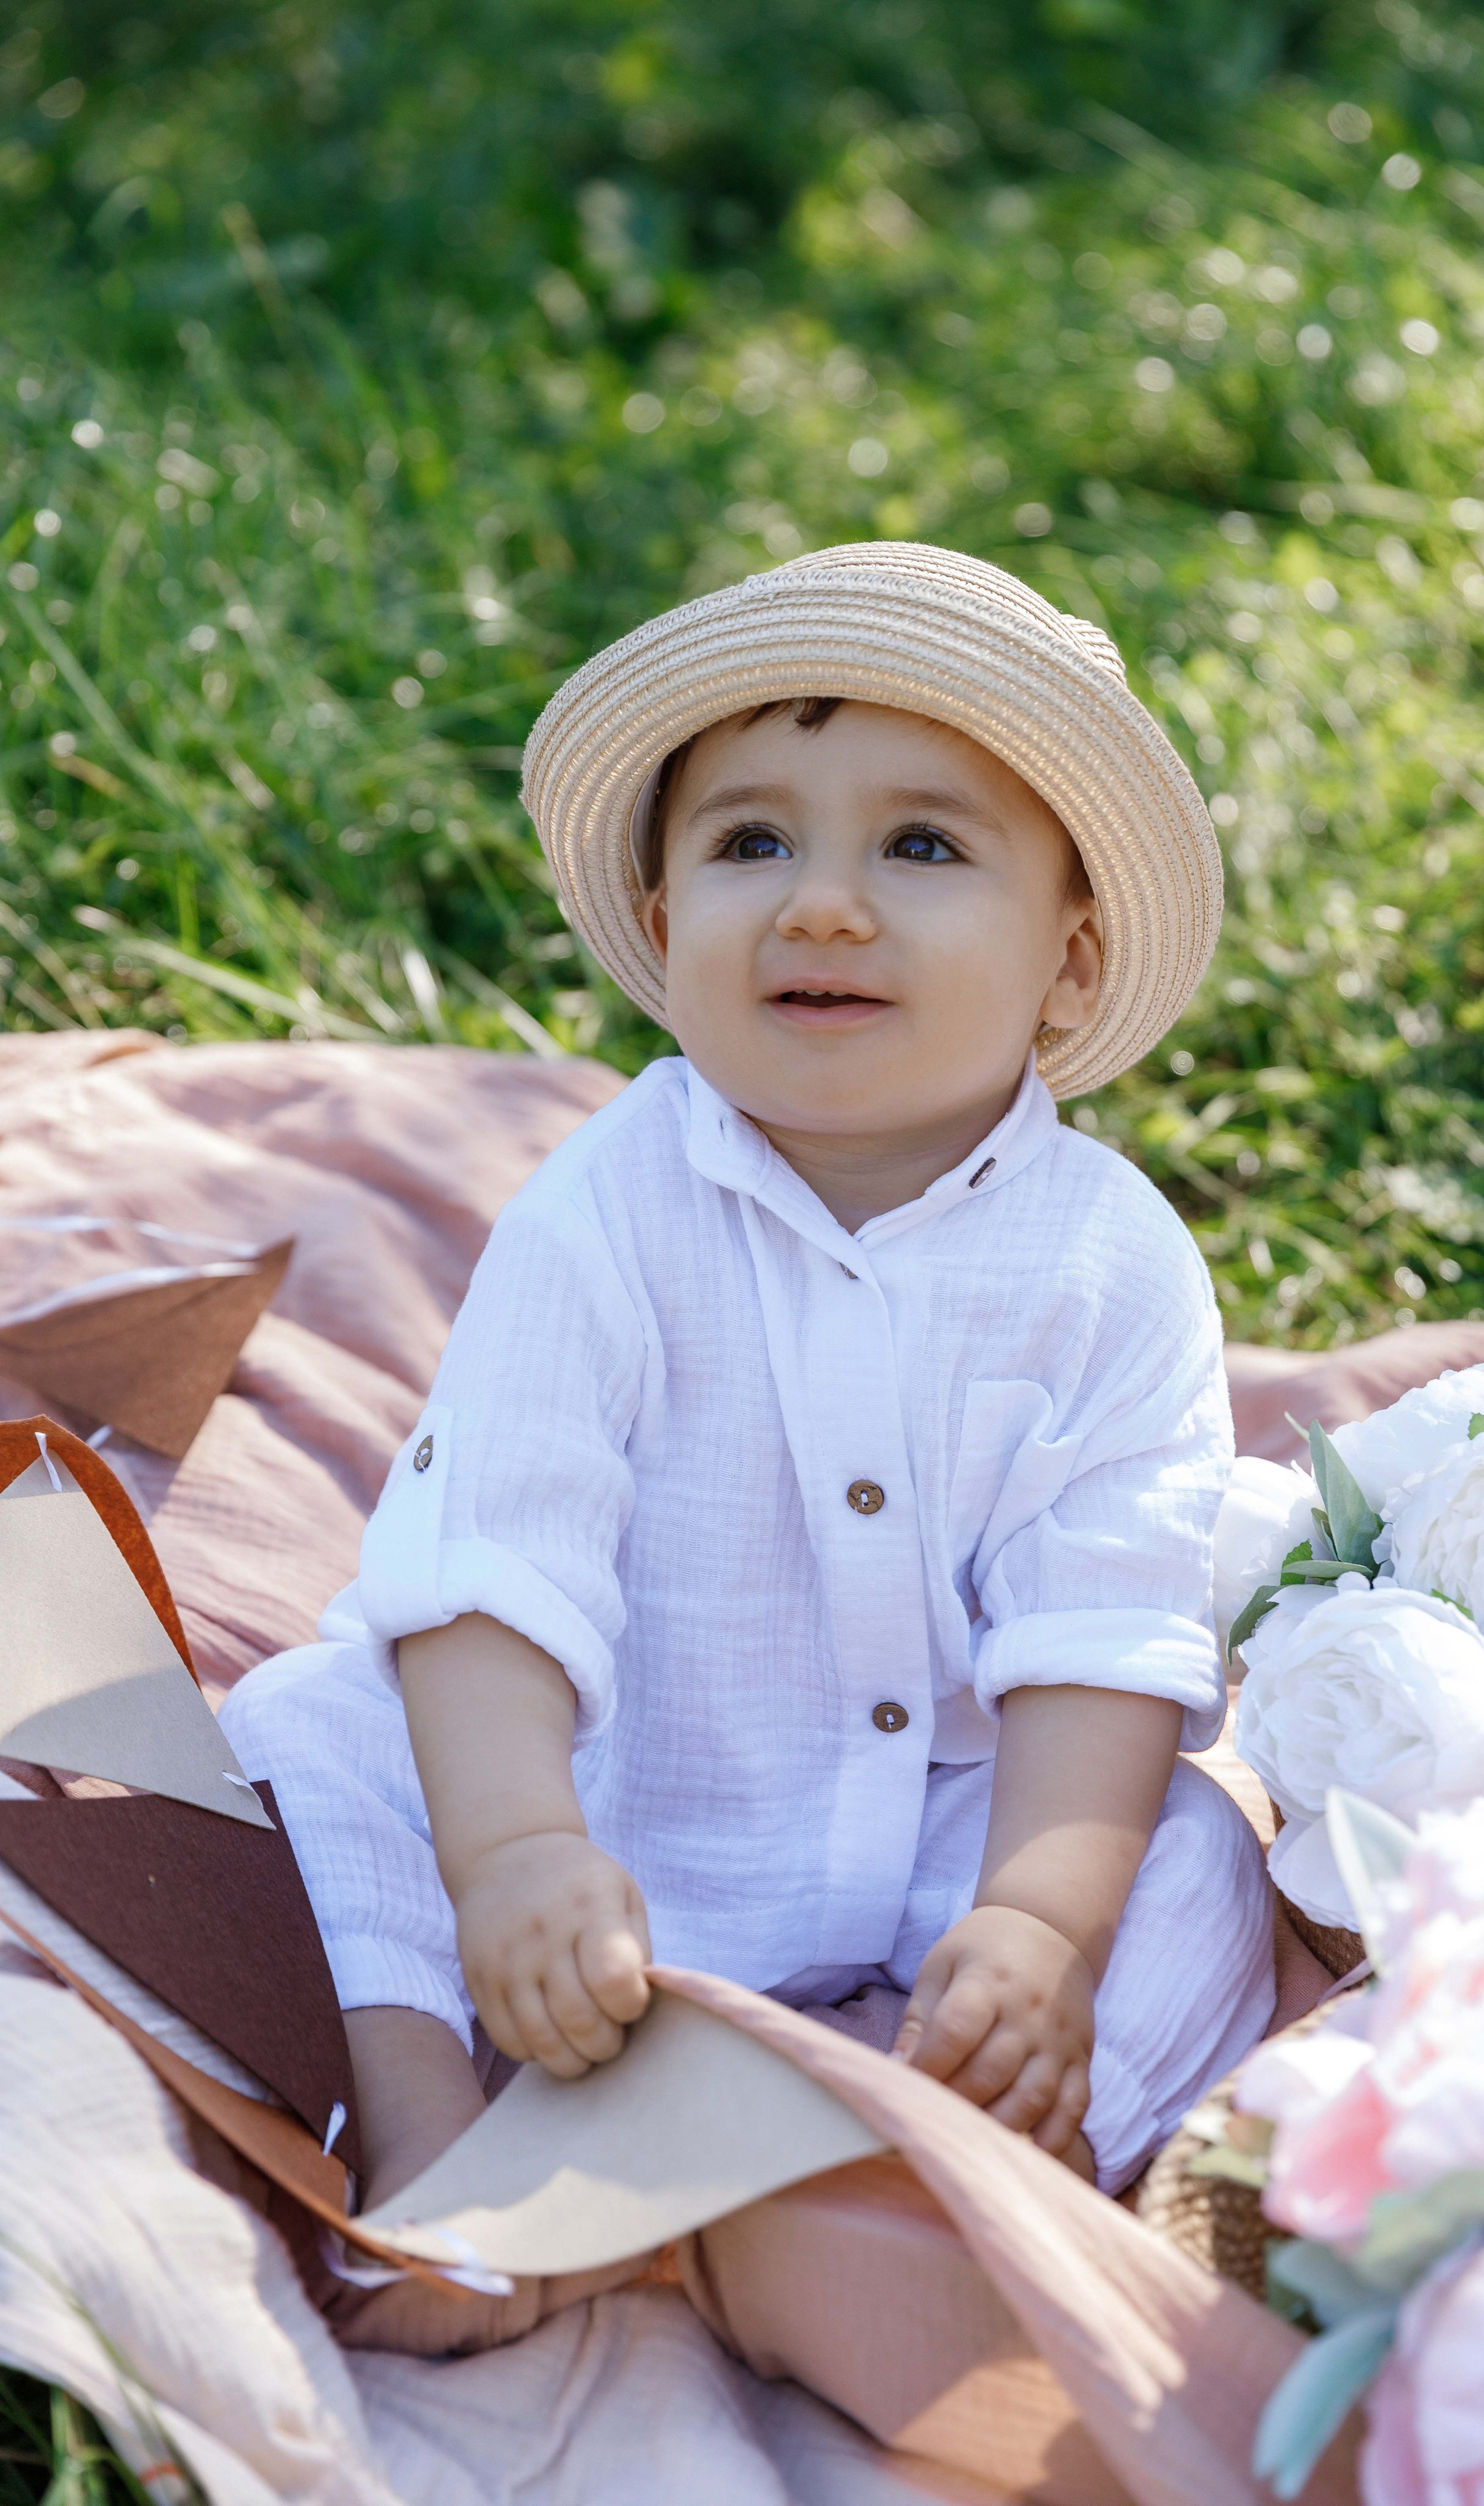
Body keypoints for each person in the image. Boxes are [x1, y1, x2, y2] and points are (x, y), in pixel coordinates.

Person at [222, 543, 1275, 2264]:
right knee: (315, 1730)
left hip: (954, 1825)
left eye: (920, 847)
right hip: (612, 1793)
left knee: (1205, 1852)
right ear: (662, 932)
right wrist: (514, 1852)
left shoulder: (1114, 1260)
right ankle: (427, 2145)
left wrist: (1037, 1926)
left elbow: (1101, 1630)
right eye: (751, 844)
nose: (823, 906)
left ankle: (985, 2161)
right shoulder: (606, 1206)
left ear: (1071, 966)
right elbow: (494, 1557)